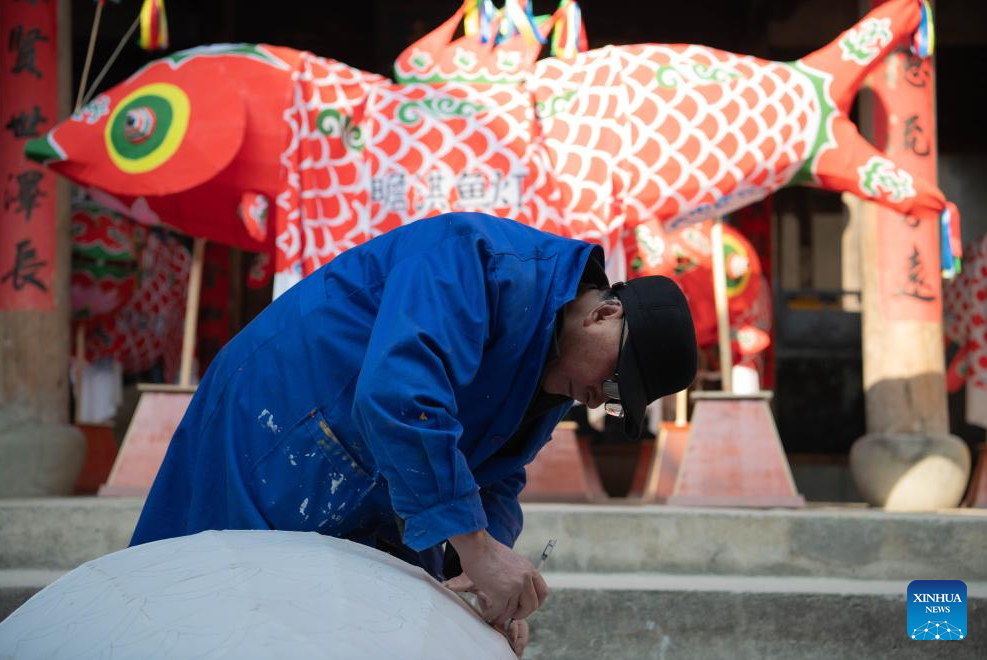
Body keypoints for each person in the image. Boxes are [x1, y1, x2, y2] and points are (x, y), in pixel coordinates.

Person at [131, 212, 697, 655]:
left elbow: (494, 474)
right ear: (605, 314)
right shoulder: (475, 257)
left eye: (621, 404)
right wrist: (476, 548)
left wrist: (480, 582)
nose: (603, 398)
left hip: (369, 468)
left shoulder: (557, 372)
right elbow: (400, 393)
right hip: (277, 421)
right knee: (204, 612)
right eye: (617, 380)